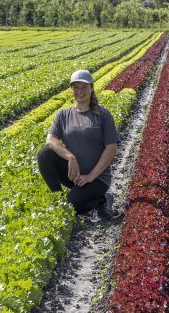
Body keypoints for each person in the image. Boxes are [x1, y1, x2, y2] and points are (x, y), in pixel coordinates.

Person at [37, 69, 119, 218]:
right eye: (76, 87)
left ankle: (102, 199)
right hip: (75, 176)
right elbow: (51, 140)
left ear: (92, 88)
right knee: (45, 154)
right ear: (71, 89)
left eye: (84, 87)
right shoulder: (63, 115)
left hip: (97, 179)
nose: (80, 91)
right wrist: (71, 158)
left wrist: (91, 176)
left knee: (71, 207)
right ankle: (59, 199)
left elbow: (111, 148)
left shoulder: (102, 115)